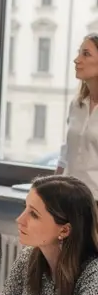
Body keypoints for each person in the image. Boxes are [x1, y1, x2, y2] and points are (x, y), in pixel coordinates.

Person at [0, 174, 98, 295]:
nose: (20, 219)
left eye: (33, 214)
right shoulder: (27, 259)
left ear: (65, 230)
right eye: (24, 209)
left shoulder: (94, 273)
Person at [56, 33, 98, 198]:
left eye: (86, 54)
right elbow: (66, 153)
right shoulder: (77, 105)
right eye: (79, 53)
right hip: (69, 199)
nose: (77, 60)